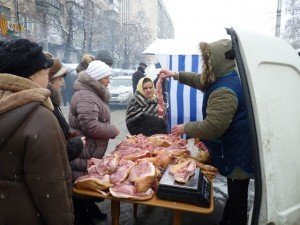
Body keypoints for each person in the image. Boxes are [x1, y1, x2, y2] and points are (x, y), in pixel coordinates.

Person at [160, 39, 254, 225]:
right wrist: (176, 74)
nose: (205, 64)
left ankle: (233, 221)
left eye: (207, 60)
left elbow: (213, 127)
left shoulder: (225, 90)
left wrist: (185, 128)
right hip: (237, 147)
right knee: (236, 195)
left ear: (217, 60)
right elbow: (199, 80)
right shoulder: (225, 76)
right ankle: (227, 220)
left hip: (237, 152)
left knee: (238, 199)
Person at [0, 39, 73, 225]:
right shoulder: (40, 118)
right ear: (31, 76)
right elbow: (53, 189)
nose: (49, 79)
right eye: (47, 73)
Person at [69, 60, 120, 225]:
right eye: (106, 77)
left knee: (87, 182)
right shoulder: (86, 96)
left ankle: (89, 210)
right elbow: (90, 126)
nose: (109, 81)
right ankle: (81, 218)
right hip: (84, 149)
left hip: (90, 148)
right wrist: (112, 130)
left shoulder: (92, 93)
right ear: (97, 78)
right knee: (80, 184)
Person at [45, 52, 85, 161]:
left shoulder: (51, 102)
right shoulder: (47, 105)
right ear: (49, 80)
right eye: (60, 79)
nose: (62, 83)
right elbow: (55, 151)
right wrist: (78, 143)